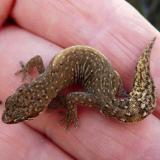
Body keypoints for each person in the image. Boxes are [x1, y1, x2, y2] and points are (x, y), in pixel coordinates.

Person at [0, 0, 160, 159]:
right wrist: (28, 68)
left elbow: (70, 98)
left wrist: (71, 113)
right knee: (111, 84)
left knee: (95, 97)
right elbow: (36, 59)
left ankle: (121, 90)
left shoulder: (53, 88)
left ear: (38, 108)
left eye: (21, 117)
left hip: (100, 88)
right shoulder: (44, 76)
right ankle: (121, 90)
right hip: (107, 77)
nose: (7, 117)